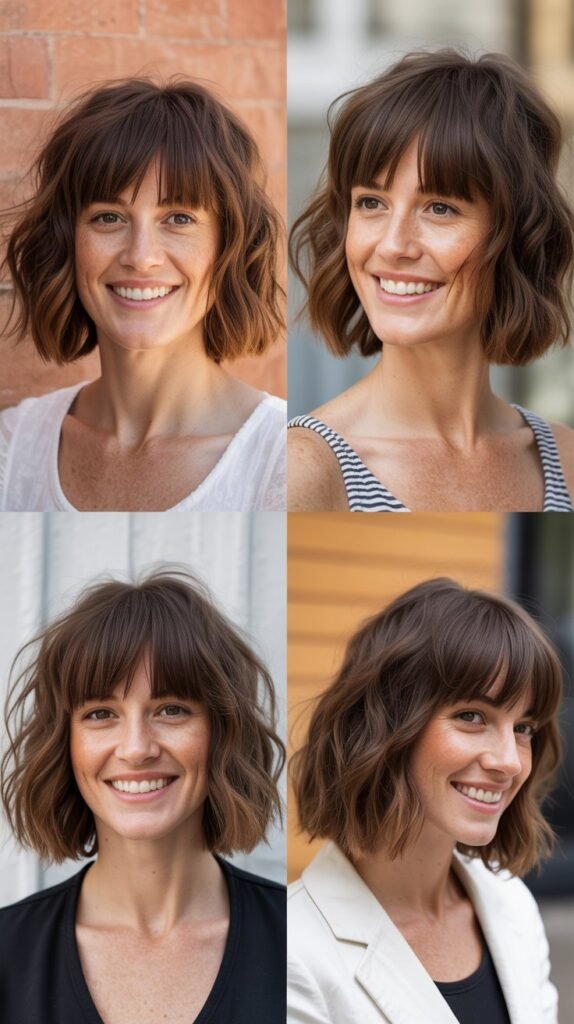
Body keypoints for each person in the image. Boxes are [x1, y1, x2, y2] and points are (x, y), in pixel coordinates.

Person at [288, 50, 574, 512]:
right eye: (371, 203)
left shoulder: (566, 462)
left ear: (518, 233)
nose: (393, 245)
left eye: (440, 208)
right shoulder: (304, 471)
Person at [0, 569, 286, 1024]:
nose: (136, 748)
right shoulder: (8, 953)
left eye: (171, 710)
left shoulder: (302, 939)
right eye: (100, 714)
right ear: (65, 743)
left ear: (222, 733)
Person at [0, 78, 285, 511]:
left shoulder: (282, 459)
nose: (141, 256)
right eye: (109, 217)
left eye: (179, 218)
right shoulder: (11, 449)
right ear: (67, 242)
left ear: (228, 245)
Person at [288, 578, 562, 1023]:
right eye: (472, 717)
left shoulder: (513, 906)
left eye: (523, 728)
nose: (509, 762)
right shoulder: (293, 953)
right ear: (386, 728)